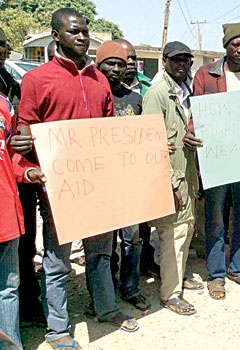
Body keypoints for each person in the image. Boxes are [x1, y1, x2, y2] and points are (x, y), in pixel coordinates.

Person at [17, 8, 139, 347]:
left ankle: (107, 309)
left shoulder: (100, 80)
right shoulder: (36, 79)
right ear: (56, 36)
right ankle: (58, 329)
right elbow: (24, 126)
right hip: (60, 189)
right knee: (57, 264)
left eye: (85, 31)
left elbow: (109, 131)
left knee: (100, 255)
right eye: (74, 31)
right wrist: (25, 139)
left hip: (98, 188)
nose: (82, 37)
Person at [190, 22, 240, 299]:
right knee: (216, 218)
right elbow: (197, 111)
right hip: (217, 158)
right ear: (226, 46)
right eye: (236, 44)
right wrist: (192, 133)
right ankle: (217, 274)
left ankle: (239, 269)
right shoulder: (206, 73)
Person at [141, 41, 200, 314]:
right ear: (164, 61)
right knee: (172, 234)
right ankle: (170, 294)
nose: (182, 65)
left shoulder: (185, 90)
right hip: (171, 176)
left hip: (187, 173)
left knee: (184, 230)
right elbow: (151, 142)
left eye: (186, 60)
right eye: (176, 60)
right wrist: (169, 183)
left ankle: (176, 281)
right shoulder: (158, 93)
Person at [95, 40, 151, 312]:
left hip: (129, 183)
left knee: (132, 240)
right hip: (100, 184)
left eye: (126, 61)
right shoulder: (90, 96)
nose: (120, 67)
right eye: (114, 62)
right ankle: (105, 293)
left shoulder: (135, 99)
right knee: (103, 245)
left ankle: (131, 288)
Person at [0, 42, 46, 347]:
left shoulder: (5, 104)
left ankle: (11, 343)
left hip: (6, 214)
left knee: (8, 286)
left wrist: (28, 172)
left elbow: (9, 157)